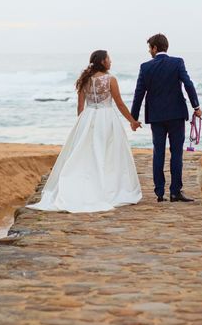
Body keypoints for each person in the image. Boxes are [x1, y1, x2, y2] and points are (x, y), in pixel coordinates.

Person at [27, 50, 142, 213]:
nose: (111, 61)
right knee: (108, 154)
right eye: (108, 59)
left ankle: (86, 185)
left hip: (88, 118)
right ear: (102, 61)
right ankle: (106, 189)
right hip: (106, 118)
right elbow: (120, 104)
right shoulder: (111, 79)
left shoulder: (85, 80)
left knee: (87, 153)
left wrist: (82, 125)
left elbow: (80, 107)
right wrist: (132, 121)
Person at [131, 33, 202, 203]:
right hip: (176, 114)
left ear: (155, 47)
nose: (149, 51)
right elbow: (188, 84)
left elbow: (139, 93)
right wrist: (196, 106)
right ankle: (175, 192)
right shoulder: (177, 62)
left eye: (150, 48)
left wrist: (134, 118)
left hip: (156, 116)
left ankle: (160, 193)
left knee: (159, 153)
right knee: (176, 154)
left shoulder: (145, 67)